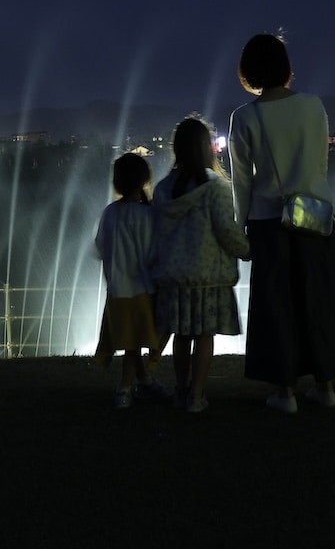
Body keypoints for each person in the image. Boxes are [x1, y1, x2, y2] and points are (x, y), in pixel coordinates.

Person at [227, 33, 335, 414]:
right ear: (286, 68)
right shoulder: (313, 106)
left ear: (249, 71)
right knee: (319, 299)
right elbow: (320, 165)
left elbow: (242, 183)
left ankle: (284, 393)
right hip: (315, 218)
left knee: (277, 305)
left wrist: (241, 229)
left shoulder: (245, 117)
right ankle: (327, 386)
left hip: (270, 223)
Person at [152, 117, 249, 413]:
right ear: (206, 148)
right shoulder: (216, 186)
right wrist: (246, 249)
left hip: (173, 276)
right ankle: (197, 396)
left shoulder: (163, 189)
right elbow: (225, 229)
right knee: (204, 337)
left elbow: (156, 233)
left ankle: (181, 391)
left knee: (181, 336)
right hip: (208, 276)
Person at [93, 152, 168, 408]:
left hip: (116, 290)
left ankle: (145, 381)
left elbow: (99, 247)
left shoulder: (110, 213)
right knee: (134, 343)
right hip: (142, 289)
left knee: (129, 340)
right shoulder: (149, 215)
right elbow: (155, 252)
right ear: (145, 180)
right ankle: (124, 390)